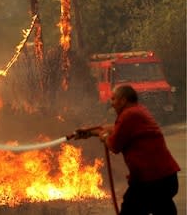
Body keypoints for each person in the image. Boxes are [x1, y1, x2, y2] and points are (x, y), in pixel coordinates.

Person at [76, 84, 180, 215]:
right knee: (162, 208)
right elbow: (117, 128)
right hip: (164, 178)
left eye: (113, 99)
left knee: (132, 210)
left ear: (123, 100)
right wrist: (91, 132)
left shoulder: (128, 115)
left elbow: (114, 145)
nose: (111, 104)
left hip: (151, 181)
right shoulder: (138, 111)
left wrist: (104, 136)